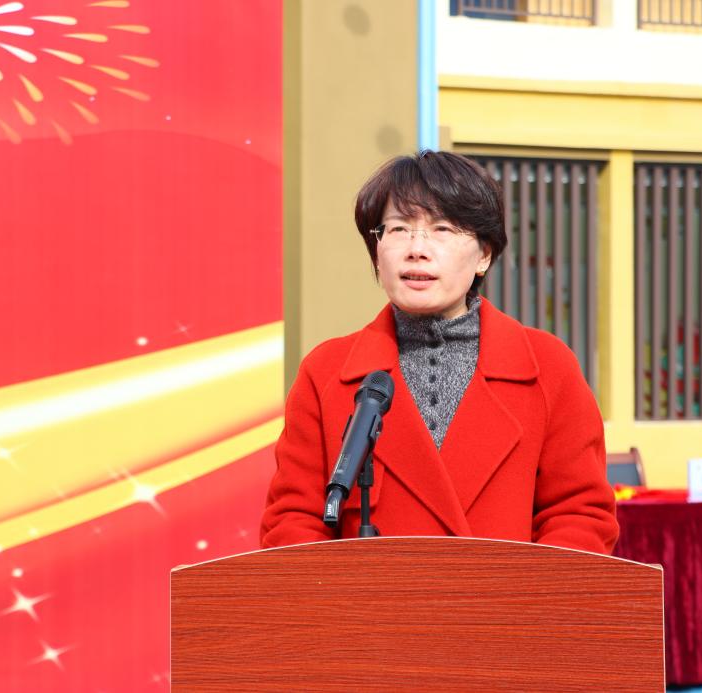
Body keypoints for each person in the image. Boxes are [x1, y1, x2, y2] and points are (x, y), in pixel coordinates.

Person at [260, 150, 618, 554]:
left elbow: (580, 514)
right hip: (371, 597)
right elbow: (293, 520)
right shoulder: (326, 373)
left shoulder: (548, 368)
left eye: (442, 229)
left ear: (484, 255)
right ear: (376, 251)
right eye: (398, 229)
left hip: (504, 595)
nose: (417, 248)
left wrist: (524, 592)